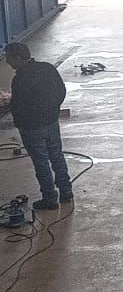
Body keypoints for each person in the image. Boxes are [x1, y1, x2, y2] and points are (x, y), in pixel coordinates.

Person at [1, 41, 73, 211]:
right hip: (51, 122)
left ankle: (49, 199)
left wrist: (20, 122)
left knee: (41, 162)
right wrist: (52, 110)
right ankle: (66, 191)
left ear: (18, 58)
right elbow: (60, 91)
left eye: (9, 58)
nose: (8, 62)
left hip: (32, 128)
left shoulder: (20, 79)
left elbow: (17, 106)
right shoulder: (47, 69)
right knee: (57, 156)